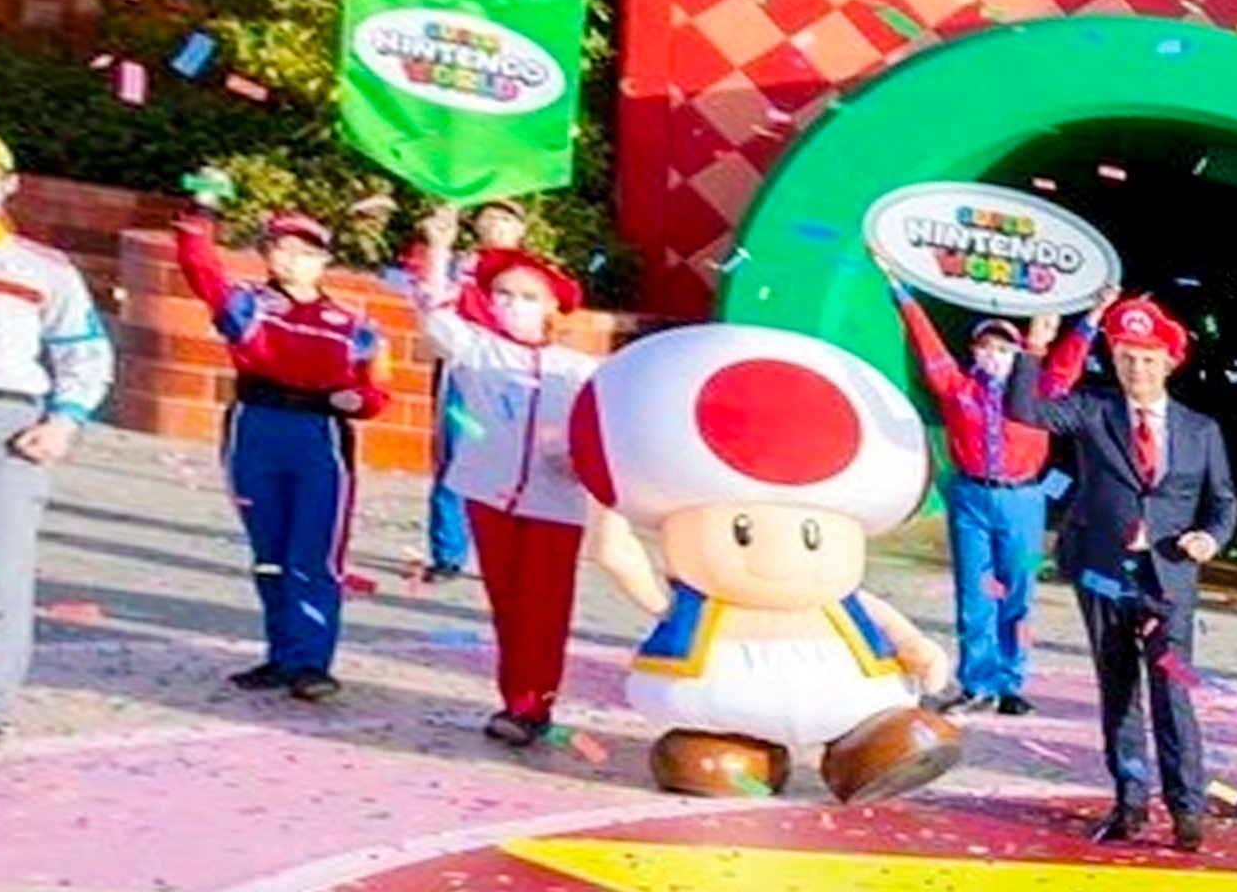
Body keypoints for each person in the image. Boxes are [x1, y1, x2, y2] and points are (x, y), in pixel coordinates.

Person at [570, 320, 963, 805]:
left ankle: (864, 752)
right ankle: (732, 753)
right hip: (719, 699)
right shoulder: (696, 603)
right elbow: (618, 558)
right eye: (743, 533)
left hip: (846, 698)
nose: (782, 559)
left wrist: (916, 645)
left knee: (893, 735)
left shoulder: (842, 600)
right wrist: (605, 503)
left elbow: (885, 619)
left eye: (811, 536)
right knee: (709, 758)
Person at [1040, 294, 1237, 847]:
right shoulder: (1093, 410)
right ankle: (1129, 804)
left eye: (1148, 358)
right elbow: (1029, 409)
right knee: (1118, 688)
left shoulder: (1200, 430)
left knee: (1173, 690)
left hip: (1168, 580)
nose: (1137, 369)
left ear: (1169, 362)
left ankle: (1187, 809)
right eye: (1126, 357)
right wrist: (1044, 343)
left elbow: (1223, 501)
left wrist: (1210, 538)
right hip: (1103, 574)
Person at [170, 206, 386, 701]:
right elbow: (202, 273)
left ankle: (311, 662)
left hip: (319, 436)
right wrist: (196, 225)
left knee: (315, 551)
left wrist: (360, 401)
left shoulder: (353, 325)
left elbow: (376, 391)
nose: (291, 259)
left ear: (324, 260)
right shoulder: (248, 305)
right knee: (269, 552)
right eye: (281, 248)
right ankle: (281, 655)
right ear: (266, 254)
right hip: (256, 426)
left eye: (305, 252)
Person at [407, 204, 600, 747]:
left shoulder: (579, 370)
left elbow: (608, 431)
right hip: (488, 493)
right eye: (504, 295)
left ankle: (534, 704)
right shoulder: (476, 350)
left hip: (555, 502)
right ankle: (515, 699)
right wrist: (439, 248)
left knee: (545, 606)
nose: (514, 305)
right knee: (507, 603)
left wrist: (581, 460)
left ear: (552, 306)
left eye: (528, 296)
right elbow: (433, 311)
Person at [0, 132, 113, 745]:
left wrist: (64, 420)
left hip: (7, 424)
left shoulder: (42, 268)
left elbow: (85, 352)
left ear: (9, 185)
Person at [892, 290, 1084, 716]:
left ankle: (1011, 682)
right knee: (975, 595)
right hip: (971, 499)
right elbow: (927, 344)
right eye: (986, 346)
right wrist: (900, 292)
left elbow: (1068, 362)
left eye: (1003, 347)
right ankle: (977, 683)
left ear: (1017, 352)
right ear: (974, 351)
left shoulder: (1039, 390)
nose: (994, 354)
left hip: (1023, 501)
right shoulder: (958, 388)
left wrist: (1093, 317)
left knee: (1018, 592)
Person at [409, 195, 526, 587]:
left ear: (520, 229)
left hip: (511, 376)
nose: (495, 225)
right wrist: (438, 246)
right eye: (488, 217)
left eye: (505, 219)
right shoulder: (459, 266)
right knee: (456, 457)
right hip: (463, 372)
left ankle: (508, 552)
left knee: (512, 464)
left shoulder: (532, 275)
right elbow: (429, 296)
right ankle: (449, 552)